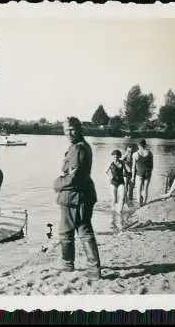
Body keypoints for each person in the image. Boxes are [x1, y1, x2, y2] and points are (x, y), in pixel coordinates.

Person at [53, 116, 101, 278]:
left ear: (80, 129)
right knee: (83, 228)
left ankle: (69, 266)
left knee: (67, 231)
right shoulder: (82, 146)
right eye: (66, 130)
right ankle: (93, 268)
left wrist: (57, 184)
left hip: (75, 196)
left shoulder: (78, 149)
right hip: (82, 194)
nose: (69, 133)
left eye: (72, 129)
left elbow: (73, 178)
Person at [131, 139, 153, 206]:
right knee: (145, 188)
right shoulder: (149, 153)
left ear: (138, 145)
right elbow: (152, 165)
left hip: (140, 173)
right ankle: (144, 203)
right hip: (147, 172)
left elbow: (133, 167)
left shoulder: (135, 154)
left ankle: (139, 204)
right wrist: (149, 172)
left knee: (139, 189)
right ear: (145, 144)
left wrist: (132, 177)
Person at [105, 149, 128, 214]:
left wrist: (129, 174)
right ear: (112, 157)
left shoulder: (122, 162)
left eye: (117, 157)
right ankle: (113, 213)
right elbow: (105, 172)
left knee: (122, 196)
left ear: (119, 156)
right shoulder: (111, 163)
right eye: (114, 157)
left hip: (121, 182)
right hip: (113, 182)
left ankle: (119, 210)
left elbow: (127, 170)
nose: (115, 158)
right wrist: (110, 177)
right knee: (114, 199)